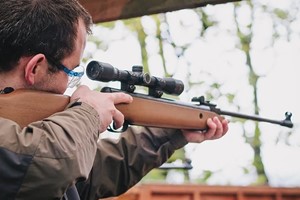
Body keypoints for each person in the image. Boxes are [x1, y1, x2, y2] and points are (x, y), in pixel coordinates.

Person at [0, 0, 229, 199]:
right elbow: (44, 164)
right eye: (71, 73)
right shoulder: (41, 154)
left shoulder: (28, 138)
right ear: (35, 69)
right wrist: (88, 111)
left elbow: (92, 173)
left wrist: (171, 133)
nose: (71, 85)